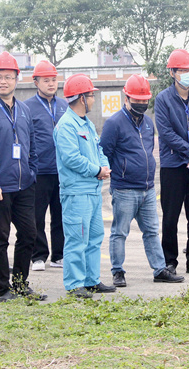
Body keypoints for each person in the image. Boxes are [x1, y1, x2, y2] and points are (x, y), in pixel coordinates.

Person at [0, 51, 45, 303]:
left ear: (17, 79)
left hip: (24, 186)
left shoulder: (24, 110)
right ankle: (4, 289)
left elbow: (32, 146)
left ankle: (21, 284)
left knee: (29, 234)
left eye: (9, 77)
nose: (3, 81)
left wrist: (32, 172)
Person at [99, 74, 185, 287]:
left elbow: (148, 150)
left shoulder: (148, 123)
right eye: (136, 100)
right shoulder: (114, 123)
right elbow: (105, 153)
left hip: (147, 188)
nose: (141, 104)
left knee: (152, 231)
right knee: (119, 232)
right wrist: (118, 175)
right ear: (126, 98)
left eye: (144, 101)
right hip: (125, 189)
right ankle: (117, 271)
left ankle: (159, 269)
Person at [54, 74, 115, 298]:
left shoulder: (86, 123)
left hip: (92, 190)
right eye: (91, 95)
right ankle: (74, 284)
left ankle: (91, 280)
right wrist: (96, 170)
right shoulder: (66, 126)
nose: (93, 100)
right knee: (77, 239)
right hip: (76, 192)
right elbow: (71, 158)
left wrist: (104, 167)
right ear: (81, 98)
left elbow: (99, 150)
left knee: (94, 237)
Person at [154, 49, 189, 275]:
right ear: (172, 73)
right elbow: (166, 133)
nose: (188, 74)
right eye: (183, 70)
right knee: (170, 216)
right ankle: (170, 261)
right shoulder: (163, 99)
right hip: (173, 165)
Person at [25, 60, 68, 272]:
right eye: (46, 80)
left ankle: (59, 255)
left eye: (53, 80)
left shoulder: (65, 106)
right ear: (36, 82)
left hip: (62, 170)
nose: (51, 84)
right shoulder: (26, 107)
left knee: (60, 215)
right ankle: (38, 256)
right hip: (39, 170)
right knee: (37, 216)